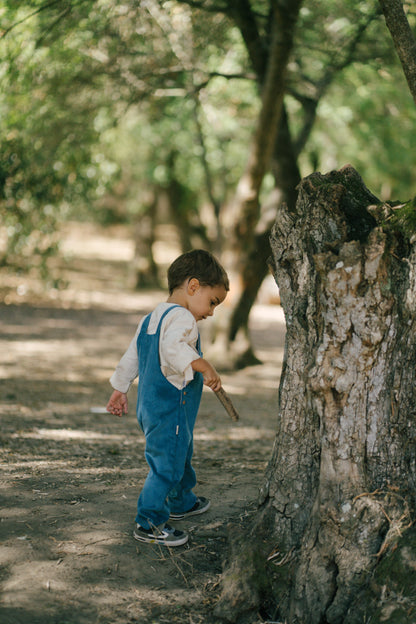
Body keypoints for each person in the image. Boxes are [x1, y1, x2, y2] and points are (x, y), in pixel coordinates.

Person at [106, 249, 229, 547]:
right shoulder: (183, 319)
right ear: (193, 286)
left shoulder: (152, 317)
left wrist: (120, 388)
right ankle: (149, 521)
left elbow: (133, 355)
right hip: (169, 407)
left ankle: (181, 501)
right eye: (212, 302)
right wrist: (203, 365)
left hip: (152, 407)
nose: (211, 311)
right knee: (167, 465)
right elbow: (175, 351)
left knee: (180, 452)